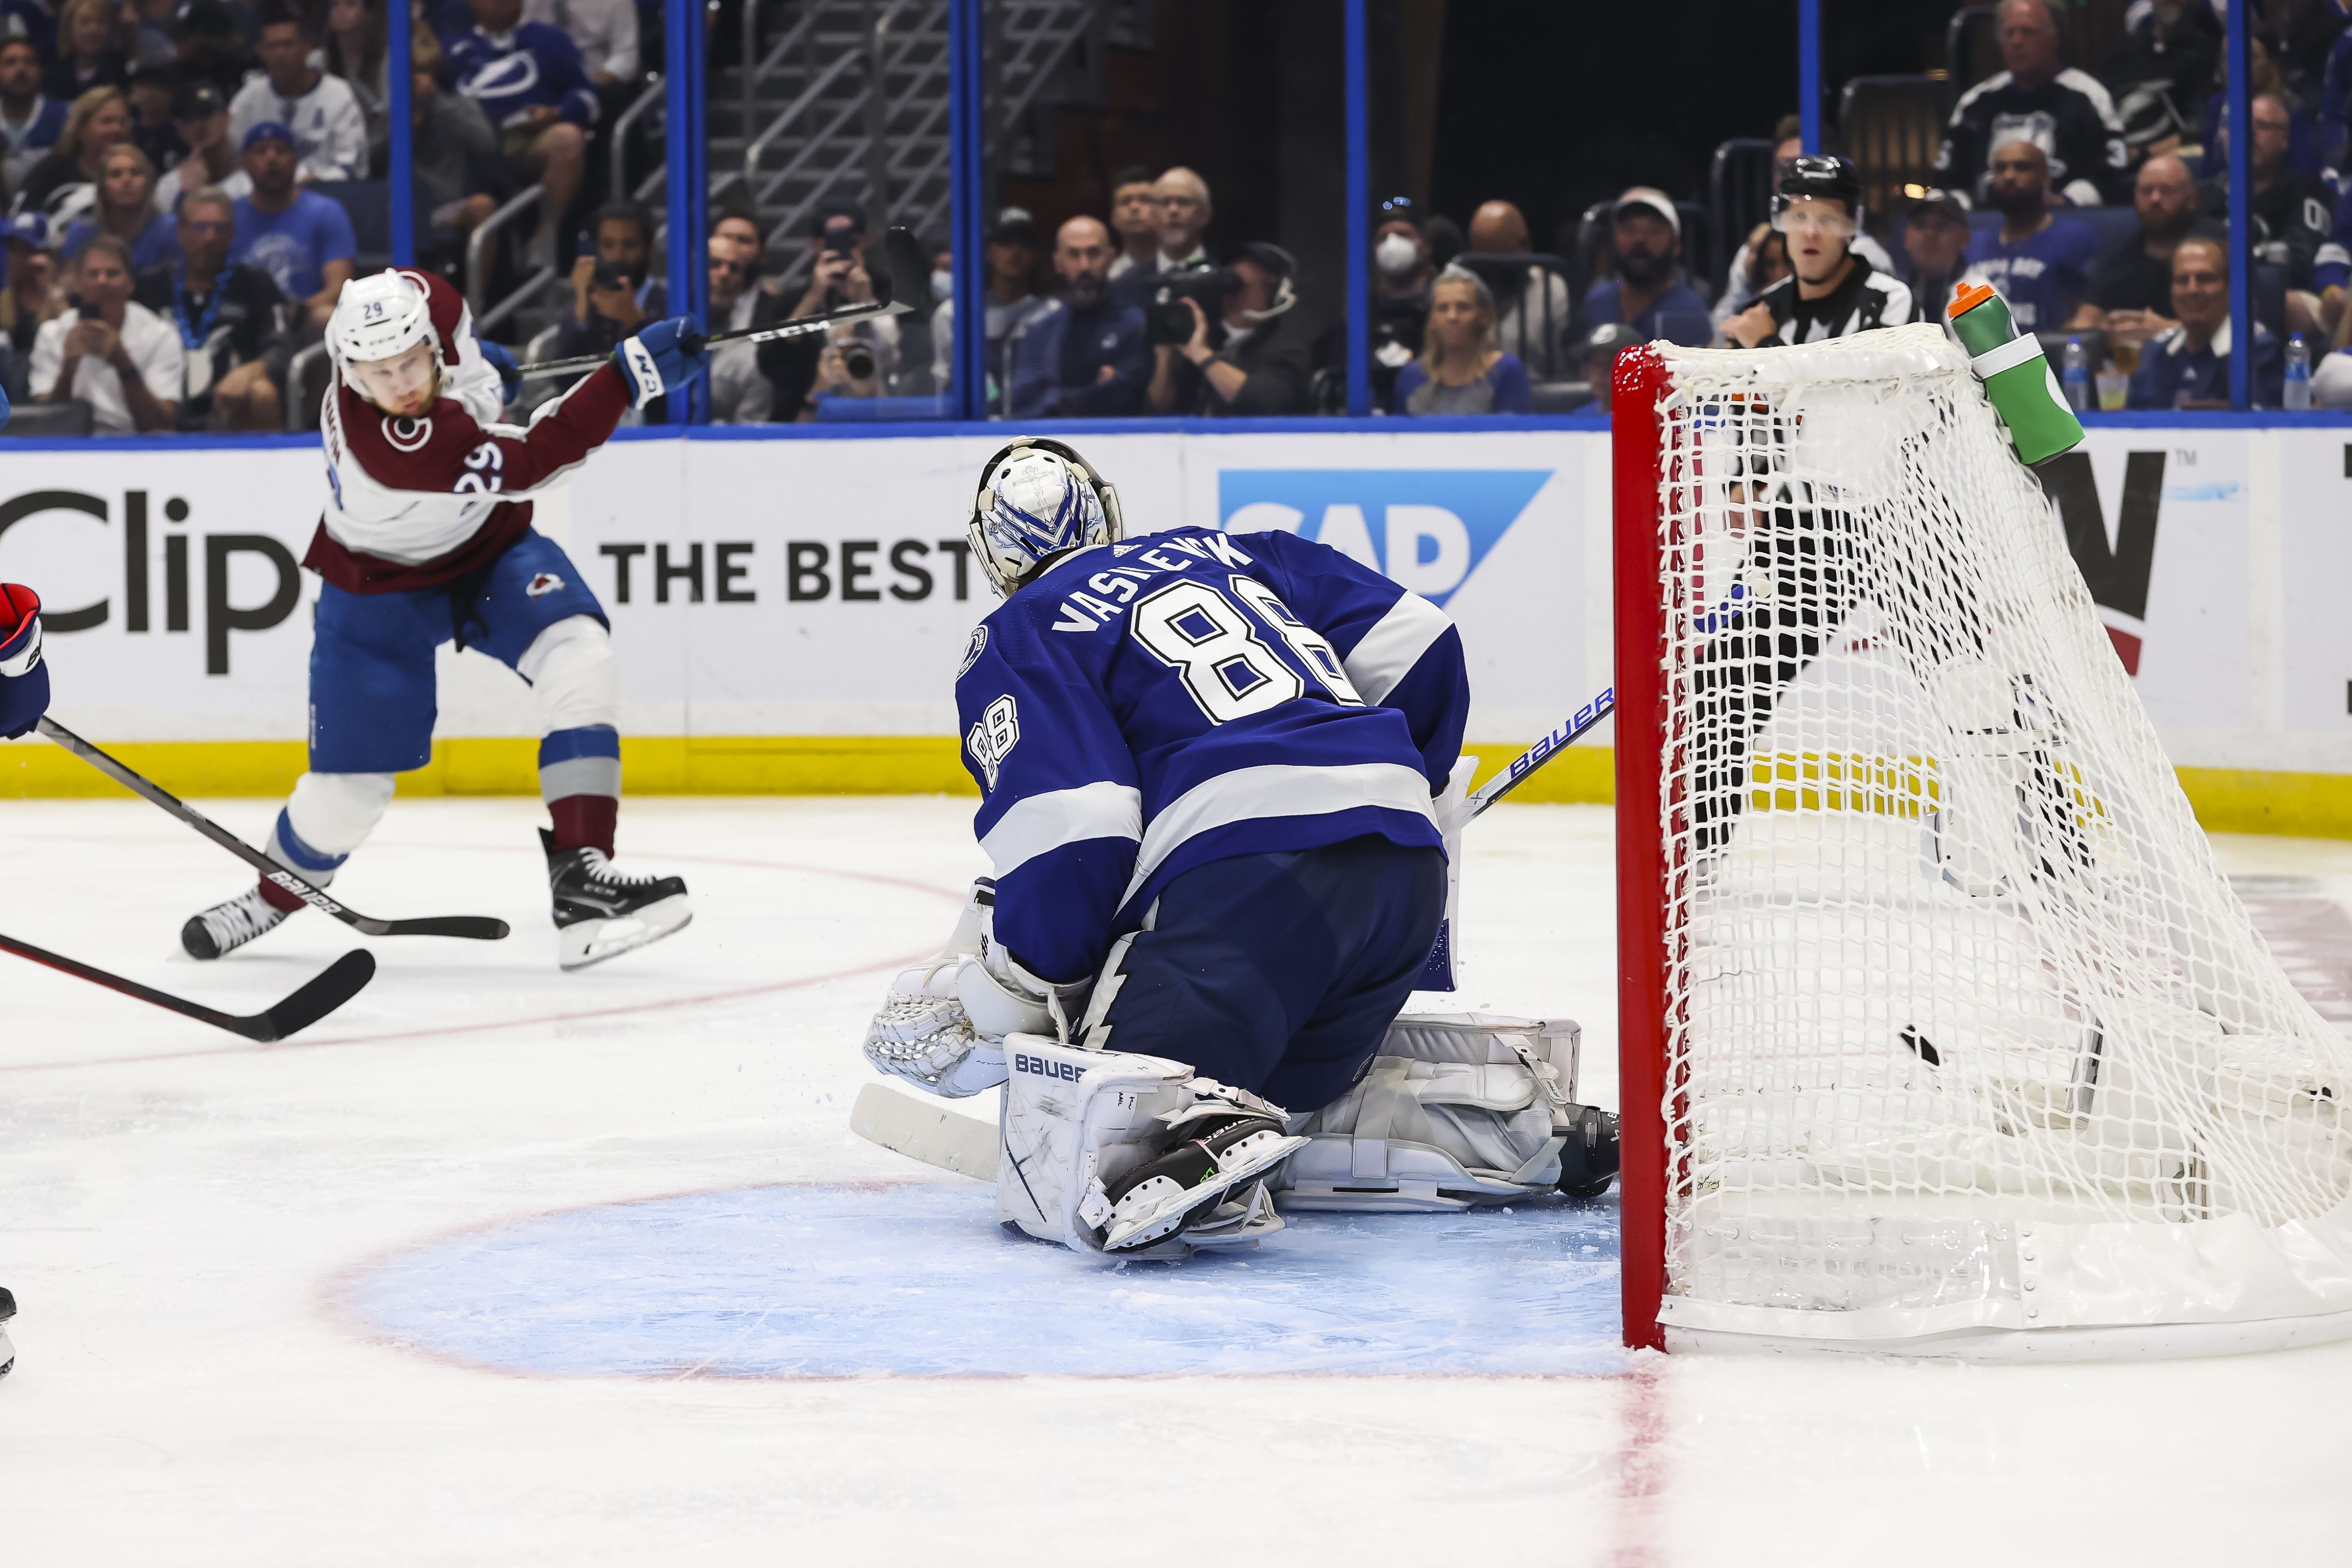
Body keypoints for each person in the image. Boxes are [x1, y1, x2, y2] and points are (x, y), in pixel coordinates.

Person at [179, 268, 704, 969]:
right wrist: (628, 377)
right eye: (379, 372)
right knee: (347, 795)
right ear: (350, 372)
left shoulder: (436, 300)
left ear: (431, 336)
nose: (400, 383)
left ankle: (581, 874)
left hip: (490, 548)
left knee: (580, 655)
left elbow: (469, 373)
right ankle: (270, 900)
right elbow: (539, 458)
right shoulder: (391, 445)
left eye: (411, 362)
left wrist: (481, 380)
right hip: (378, 585)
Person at [446, 0, 595, 271]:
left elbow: (588, 97)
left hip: (527, 138)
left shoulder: (550, 39)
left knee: (568, 139)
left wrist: (557, 113)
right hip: (468, 144)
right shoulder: (453, 48)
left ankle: (543, 240)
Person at [1937, 0, 2129, 208]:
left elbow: (2111, 171)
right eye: (2009, 33)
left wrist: (2067, 201)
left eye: (2028, 32)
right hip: (1986, 225)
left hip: (2064, 221)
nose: (2017, 42)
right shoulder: (1975, 103)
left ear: (2054, 37)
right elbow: (1949, 177)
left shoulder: (2087, 97)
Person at [132, 183, 288, 428]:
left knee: (262, 391)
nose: (210, 238)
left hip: (230, 404)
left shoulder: (255, 283)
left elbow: (281, 347)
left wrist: (251, 372)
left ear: (233, 234)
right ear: (181, 232)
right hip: (162, 399)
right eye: (200, 227)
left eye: (220, 229)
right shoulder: (150, 285)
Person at [1723, 156, 1915, 348]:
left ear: (1850, 227)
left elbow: (1865, 378)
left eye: (1827, 219)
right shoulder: (1761, 310)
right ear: (1782, 223)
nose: (1811, 232)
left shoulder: (1889, 303)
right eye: (1800, 216)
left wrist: (1766, 344)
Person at [30, 233, 181, 430]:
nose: (103, 281)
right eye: (93, 274)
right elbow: (42, 426)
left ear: (130, 283)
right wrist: (67, 372)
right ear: (78, 283)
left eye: (113, 273)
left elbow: (162, 425)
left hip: (136, 447)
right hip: (70, 448)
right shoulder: (51, 334)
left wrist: (124, 364)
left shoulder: (160, 335)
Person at [1146, 241, 1312, 416]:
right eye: (1228, 286)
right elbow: (1159, 409)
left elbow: (1262, 402)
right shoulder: (1209, 339)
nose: (1233, 295)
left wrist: (1201, 355)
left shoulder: (1288, 351)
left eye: (1242, 287)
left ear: (1275, 294)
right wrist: (1164, 359)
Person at [1960, 140, 2100, 332]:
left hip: (2048, 353)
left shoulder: (2074, 236)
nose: (2009, 176)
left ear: (2046, 178)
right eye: (2001, 169)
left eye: (2022, 167)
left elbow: (2092, 310)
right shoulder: (1972, 243)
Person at [2127, 235, 2283, 408]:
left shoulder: (2256, 350)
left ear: (2231, 290)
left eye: (2205, 279)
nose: (2192, 290)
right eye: (2182, 280)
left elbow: (2262, 426)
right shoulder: (2155, 352)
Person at [2201, 91, 2332, 294]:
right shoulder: (2205, 193)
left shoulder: (2308, 190)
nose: (2249, 133)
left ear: (2284, 140)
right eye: (2239, 125)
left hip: (2275, 297)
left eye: (2262, 126)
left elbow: (2301, 260)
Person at [230, 121, 355, 329]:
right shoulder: (230, 216)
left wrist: (295, 312)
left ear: (296, 160)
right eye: (261, 151)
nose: (272, 158)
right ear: (244, 163)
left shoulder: (326, 211)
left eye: (282, 150)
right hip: (244, 321)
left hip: (302, 319)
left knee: (326, 317)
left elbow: (340, 287)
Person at [2089, 153, 2222, 344]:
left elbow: (2239, 326)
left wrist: (2166, 331)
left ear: (2192, 199)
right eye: (2146, 191)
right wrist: (2102, 330)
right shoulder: (2118, 256)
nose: (2155, 199)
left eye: (2166, 190)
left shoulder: (2218, 248)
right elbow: (2087, 317)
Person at [227, 2, 368, 184]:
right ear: (261, 52)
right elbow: (232, 157)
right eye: (272, 47)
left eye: (288, 45)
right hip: (264, 195)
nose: (280, 54)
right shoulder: (250, 97)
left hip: (323, 193)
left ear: (307, 47)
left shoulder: (338, 95)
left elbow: (352, 167)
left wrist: (315, 181)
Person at [404, 44, 509, 279]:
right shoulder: (394, 109)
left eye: (425, 73)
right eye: (413, 73)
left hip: (445, 207)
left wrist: (437, 103)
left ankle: (475, 303)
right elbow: (373, 157)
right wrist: (406, 124)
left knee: (483, 206)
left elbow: (487, 144)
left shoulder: (457, 106)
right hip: (399, 207)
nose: (418, 81)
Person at [929, 210, 1051, 405]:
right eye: (1006, 241)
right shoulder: (954, 315)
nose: (1015, 251)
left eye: (1025, 243)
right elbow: (944, 388)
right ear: (988, 250)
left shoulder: (1053, 315)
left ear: (1036, 254)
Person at [1577, 186, 1711, 348]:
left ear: (1676, 244)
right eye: (1629, 229)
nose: (1640, 239)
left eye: (1654, 231)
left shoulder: (1689, 311)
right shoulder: (1598, 299)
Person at [1392, 265, 1528, 415]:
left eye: (1463, 307)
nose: (1452, 316)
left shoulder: (1506, 370)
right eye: (1443, 308)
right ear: (1432, 320)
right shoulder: (1410, 375)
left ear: (1483, 317)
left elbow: (1511, 435)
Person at [2098, 0, 2218, 163]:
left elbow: (2197, 129)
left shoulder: (2205, 54)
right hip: (2115, 153)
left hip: (2169, 161)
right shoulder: (2127, 50)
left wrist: (2141, 154)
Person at [1465, 197, 1571, 374]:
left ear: (1525, 245)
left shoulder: (1551, 289)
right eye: (1483, 262)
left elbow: (1563, 364)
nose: (1492, 274)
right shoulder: (1460, 287)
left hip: (1535, 395)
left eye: (1500, 261)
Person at [553, 199, 662, 360]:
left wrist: (635, 324)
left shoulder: (669, 303)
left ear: (648, 249)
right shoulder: (584, 308)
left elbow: (669, 368)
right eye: (609, 245)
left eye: (630, 245)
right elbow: (564, 379)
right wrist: (582, 311)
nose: (618, 256)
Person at [12, 83, 131, 217]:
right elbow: (22, 218)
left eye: (123, 122)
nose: (117, 129)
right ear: (81, 128)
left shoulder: (137, 171)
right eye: (107, 122)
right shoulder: (52, 170)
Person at [61, 142, 178, 268]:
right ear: (102, 188)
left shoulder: (171, 229)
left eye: (135, 173)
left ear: (149, 183)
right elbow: (71, 282)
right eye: (116, 174)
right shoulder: (80, 232)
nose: (127, 180)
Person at [154, 80, 245, 213]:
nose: (199, 125)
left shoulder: (254, 177)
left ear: (227, 117)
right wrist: (187, 194)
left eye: (206, 115)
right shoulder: (170, 186)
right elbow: (167, 232)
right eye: (189, 119)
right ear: (179, 129)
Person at [1893, 188, 1972, 319]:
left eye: (1941, 226)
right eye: (1920, 225)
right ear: (1905, 237)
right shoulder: (1894, 296)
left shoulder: (1981, 300)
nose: (1929, 234)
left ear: (1964, 238)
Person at [0, 37, 66, 192]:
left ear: (40, 71)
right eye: (11, 62)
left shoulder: (65, 116)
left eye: (29, 62)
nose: (21, 69)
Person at [322, 0, 391, 148]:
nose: (340, 10)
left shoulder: (387, 62)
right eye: (334, 5)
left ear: (368, 14)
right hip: (332, 149)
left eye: (350, 4)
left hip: (379, 149)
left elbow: (387, 114)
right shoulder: (317, 62)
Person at [1, 211, 64, 358]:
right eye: (14, 249)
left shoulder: (70, 299)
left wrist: (48, 287)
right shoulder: (4, 302)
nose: (16, 258)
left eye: (26, 250)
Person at [43, 0, 128, 102]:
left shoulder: (122, 71)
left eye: (101, 22)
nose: (93, 29)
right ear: (69, 28)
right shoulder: (54, 76)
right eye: (85, 22)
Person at [1104, 162, 1158, 280]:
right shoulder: (1109, 279)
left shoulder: (1182, 269)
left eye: (1145, 200)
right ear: (1113, 217)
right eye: (1125, 201)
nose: (1134, 207)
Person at [1576, 320, 1643, 414]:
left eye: (1613, 363)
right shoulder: (1577, 420)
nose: (1602, 372)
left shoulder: (1658, 421)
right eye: (1597, 363)